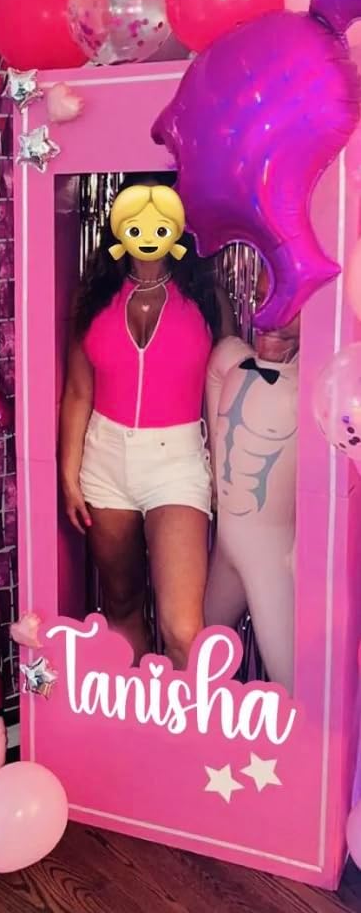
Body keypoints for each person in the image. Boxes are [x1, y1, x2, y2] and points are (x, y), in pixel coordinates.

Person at [60, 173, 235, 669]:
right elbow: (78, 391)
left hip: (177, 460)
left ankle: (189, 717)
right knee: (121, 606)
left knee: (184, 629)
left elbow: (227, 391)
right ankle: (138, 713)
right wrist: (69, 474)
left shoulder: (205, 296)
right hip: (104, 459)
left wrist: (226, 473)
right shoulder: (94, 296)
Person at [204, 268, 299, 693]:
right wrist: (212, 475)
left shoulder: (314, 387)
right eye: (262, 298)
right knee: (199, 653)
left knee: (292, 678)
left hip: (271, 556)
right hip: (225, 544)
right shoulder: (230, 359)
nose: (270, 314)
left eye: (288, 304)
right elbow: (216, 374)